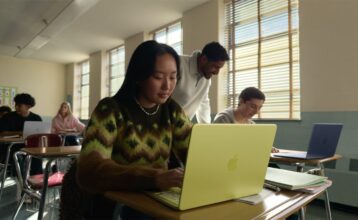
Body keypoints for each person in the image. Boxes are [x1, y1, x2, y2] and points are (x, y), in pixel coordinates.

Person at [61, 40, 193, 219]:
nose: (167, 86)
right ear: (139, 76)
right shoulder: (110, 110)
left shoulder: (172, 110)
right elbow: (89, 170)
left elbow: (194, 152)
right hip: (119, 203)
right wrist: (154, 178)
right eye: (158, 77)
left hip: (156, 198)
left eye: (173, 77)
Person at [171, 41, 229, 123]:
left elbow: (203, 103)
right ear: (204, 59)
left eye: (219, 68)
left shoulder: (206, 79)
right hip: (159, 124)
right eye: (215, 67)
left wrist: (206, 130)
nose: (216, 73)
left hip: (180, 128)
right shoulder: (178, 64)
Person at [213, 87, 278, 153]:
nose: (256, 111)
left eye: (259, 108)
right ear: (241, 101)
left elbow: (256, 144)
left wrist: (267, 147)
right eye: (253, 106)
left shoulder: (251, 124)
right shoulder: (223, 118)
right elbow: (222, 146)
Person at [0, 93, 43, 175]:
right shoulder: (8, 117)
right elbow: (2, 133)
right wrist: (21, 133)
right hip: (12, 147)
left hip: (30, 146)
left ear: (28, 106)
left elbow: (40, 134)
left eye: (19, 105)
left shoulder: (36, 118)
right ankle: (21, 180)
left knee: (37, 155)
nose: (16, 107)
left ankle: (36, 179)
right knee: (18, 155)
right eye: (16, 104)